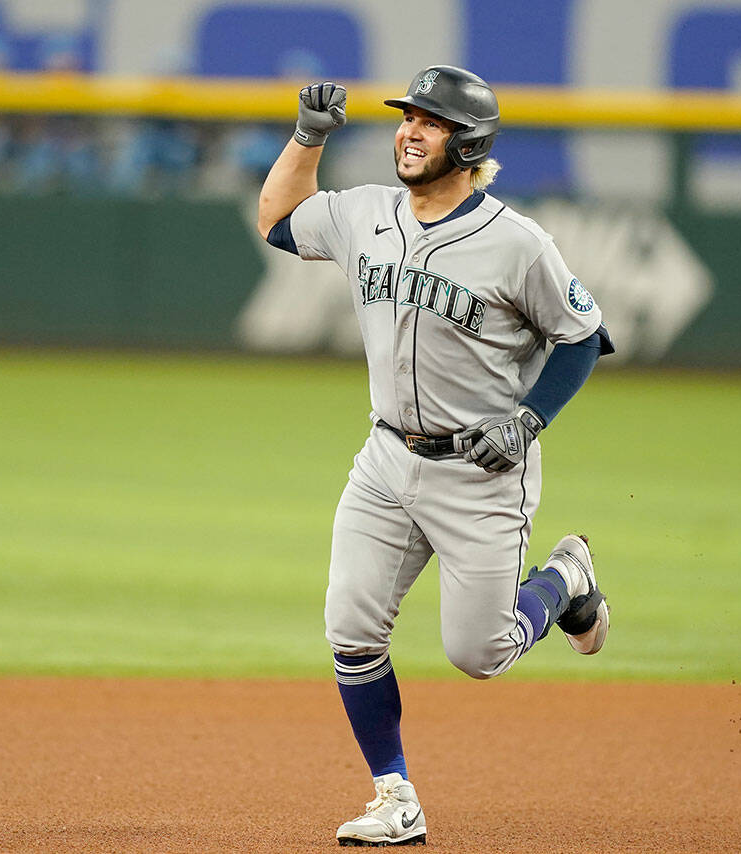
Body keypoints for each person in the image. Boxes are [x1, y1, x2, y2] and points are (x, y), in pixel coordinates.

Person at [256, 65, 614, 847]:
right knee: (350, 628)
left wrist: (528, 419)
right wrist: (308, 138)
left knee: (478, 654)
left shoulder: (517, 243)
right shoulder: (364, 215)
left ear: (471, 141)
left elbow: (584, 336)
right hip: (386, 459)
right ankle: (395, 796)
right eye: (407, 117)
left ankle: (566, 579)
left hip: (481, 475)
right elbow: (279, 219)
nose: (410, 131)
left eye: (432, 122)